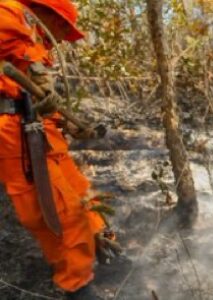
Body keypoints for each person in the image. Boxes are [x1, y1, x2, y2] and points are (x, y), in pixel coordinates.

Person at [0, 0, 119, 299]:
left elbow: (34, 93)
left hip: (41, 130)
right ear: (47, 12)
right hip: (15, 132)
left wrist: (66, 124)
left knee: (83, 195)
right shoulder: (8, 11)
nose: (65, 37)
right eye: (65, 27)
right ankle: (76, 285)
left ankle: (102, 246)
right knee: (59, 211)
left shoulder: (36, 35)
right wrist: (30, 63)